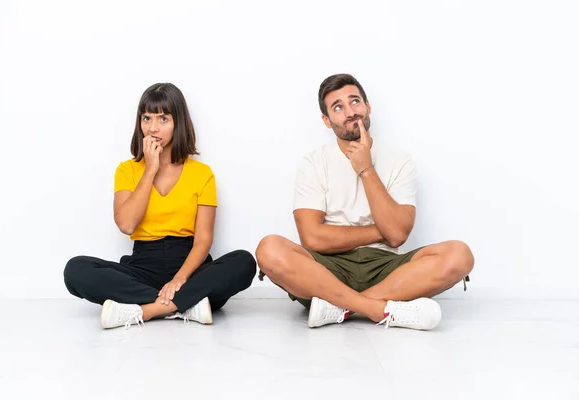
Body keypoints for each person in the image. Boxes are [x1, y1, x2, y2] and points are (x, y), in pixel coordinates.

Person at [255, 73, 474, 330]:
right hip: (328, 270)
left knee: (459, 255)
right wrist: (380, 231)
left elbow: (398, 237)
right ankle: (377, 309)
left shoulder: (399, 161)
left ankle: (339, 308)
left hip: (388, 269)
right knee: (269, 248)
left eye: (355, 102)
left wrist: (366, 169)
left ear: (368, 106)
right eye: (338, 107)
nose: (350, 112)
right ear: (326, 120)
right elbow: (313, 239)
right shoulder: (313, 163)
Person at [64, 83, 256, 329]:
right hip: (143, 267)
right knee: (76, 269)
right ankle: (188, 304)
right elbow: (126, 224)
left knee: (243, 261)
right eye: (146, 118)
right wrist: (151, 168)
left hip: (189, 269)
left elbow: (203, 241)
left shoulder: (202, 173)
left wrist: (179, 280)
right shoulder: (127, 170)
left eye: (163, 118)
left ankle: (147, 310)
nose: (152, 128)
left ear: (179, 123)